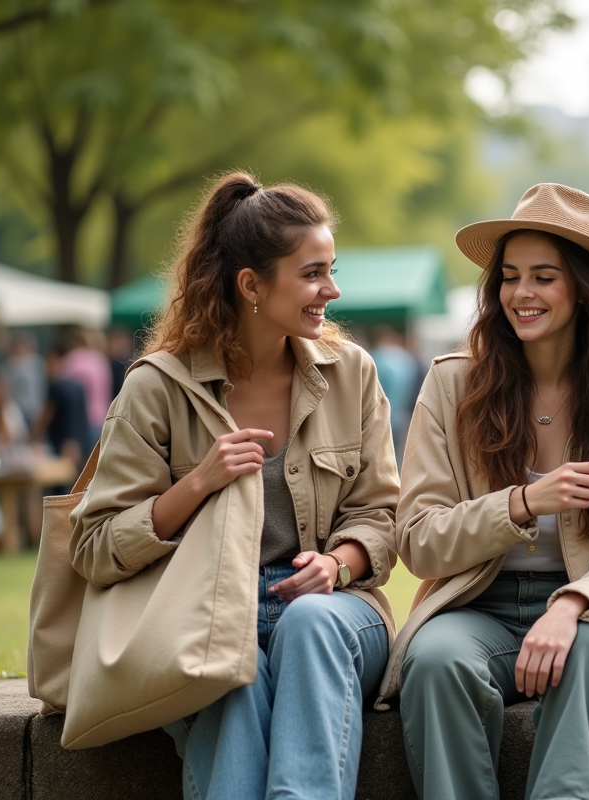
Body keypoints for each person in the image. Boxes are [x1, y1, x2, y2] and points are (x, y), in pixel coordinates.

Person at [68, 172, 399, 800]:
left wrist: (337, 564)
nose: (331, 290)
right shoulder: (157, 389)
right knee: (229, 650)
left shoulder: (352, 373)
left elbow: (382, 515)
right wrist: (197, 483)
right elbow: (95, 547)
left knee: (308, 626)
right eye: (311, 274)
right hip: (203, 613)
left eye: (330, 269)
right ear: (251, 284)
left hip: (334, 614)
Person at [380, 183, 589, 800]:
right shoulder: (452, 386)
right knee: (435, 662)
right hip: (476, 604)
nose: (521, 294)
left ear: (583, 288)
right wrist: (522, 503)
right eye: (509, 277)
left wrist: (571, 606)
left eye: (544, 277)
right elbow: (418, 541)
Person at [368, 324, 420, 467]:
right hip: (401, 415)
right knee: (397, 455)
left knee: (379, 459)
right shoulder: (405, 359)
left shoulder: (375, 358)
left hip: (378, 416)